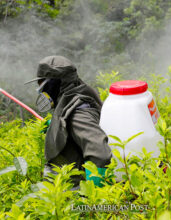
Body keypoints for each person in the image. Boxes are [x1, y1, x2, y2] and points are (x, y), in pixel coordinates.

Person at [26, 55, 112, 188]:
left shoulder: (77, 112)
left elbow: (100, 154)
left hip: (70, 192)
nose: (40, 91)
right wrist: (57, 125)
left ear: (53, 84)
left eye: (41, 85)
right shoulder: (76, 94)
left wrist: (91, 198)